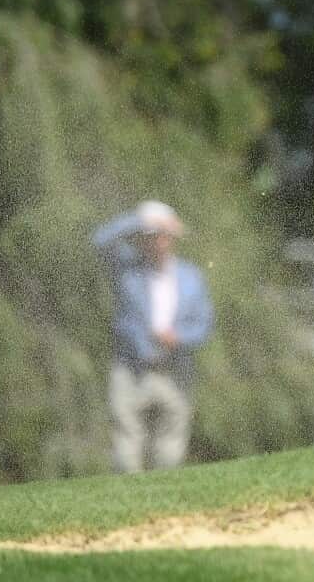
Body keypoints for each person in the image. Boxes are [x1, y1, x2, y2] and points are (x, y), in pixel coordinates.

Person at [92, 201, 214, 473]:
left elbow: (204, 324)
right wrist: (138, 220)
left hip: (175, 369)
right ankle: (128, 496)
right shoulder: (127, 270)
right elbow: (100, 241)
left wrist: (179, 337)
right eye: (149, 235)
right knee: (126, 446)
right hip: (131, 370)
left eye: (161, 234)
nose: (156, 241)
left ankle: (165, 497)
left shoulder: (191, 276)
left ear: (172, 237)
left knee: (170, 449)